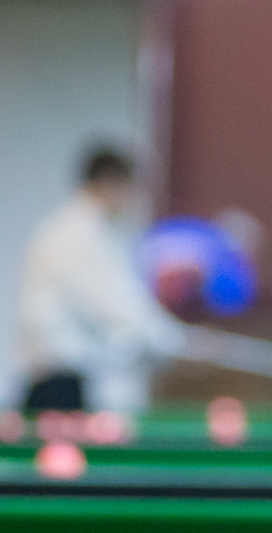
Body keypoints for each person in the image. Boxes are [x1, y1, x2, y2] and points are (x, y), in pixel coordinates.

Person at [13, 144, 182, 414]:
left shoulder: (70, 229)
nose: (133, 201)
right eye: (131, 189)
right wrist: (178, 342)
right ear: (109, 184)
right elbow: (116, 307)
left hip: (58, 381)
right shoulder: (80, 234)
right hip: (58, 386)